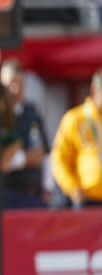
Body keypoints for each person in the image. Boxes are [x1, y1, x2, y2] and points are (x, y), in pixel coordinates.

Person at [0, 59, 48, 208]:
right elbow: (1, 161)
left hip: (35, 195)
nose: (15, 89)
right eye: (11, 84)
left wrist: (47, 188)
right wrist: (24, 159)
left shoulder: (32, 113)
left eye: (20, 84)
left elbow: (43, 153)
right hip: (8, 195)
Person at [51, 68, 102, 207]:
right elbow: (59, 159)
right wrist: (73, 188)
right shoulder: (75, 119)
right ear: (94, 91)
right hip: (86, 199)